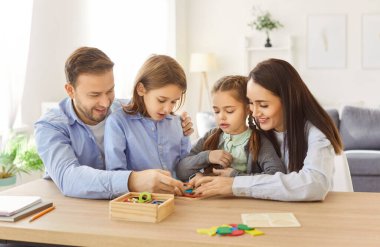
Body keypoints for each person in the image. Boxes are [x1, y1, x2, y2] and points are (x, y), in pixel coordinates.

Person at [34, 47, 193, 199]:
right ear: (70, 90)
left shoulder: (124, 110)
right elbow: (68, 178)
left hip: (118, 204)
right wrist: (132, 181)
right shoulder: (50, 127)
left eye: (110, 91)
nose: (105, 103)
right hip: (71, 207)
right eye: (94, 95)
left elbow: (156, 105)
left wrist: (179, 121)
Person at [191, 58, 343, 201]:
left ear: (288, 100)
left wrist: (235, 184)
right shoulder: (256, 131)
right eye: (251, 103)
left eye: (263, 105)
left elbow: (314, 184)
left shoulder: (316, 131)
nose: (255, 112)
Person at [104, 54, 190, 194]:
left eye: (174, 101)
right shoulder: (118, 123)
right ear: (141, 89)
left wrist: (197, 175)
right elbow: (115, 174)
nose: (168, 109)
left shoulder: (178, 124)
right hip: (141, 202)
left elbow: (186, 167)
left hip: (180, 199)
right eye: (161, 100)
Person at [176, 75, 285, 181]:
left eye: (229, 111)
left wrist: (235, 176)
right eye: (216, 111)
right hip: (210, 197)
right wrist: (207, 156)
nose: (221, 117)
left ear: (248, 109)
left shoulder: (258, 141)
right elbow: (181, 170)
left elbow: (276, 175)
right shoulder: (210, 136)